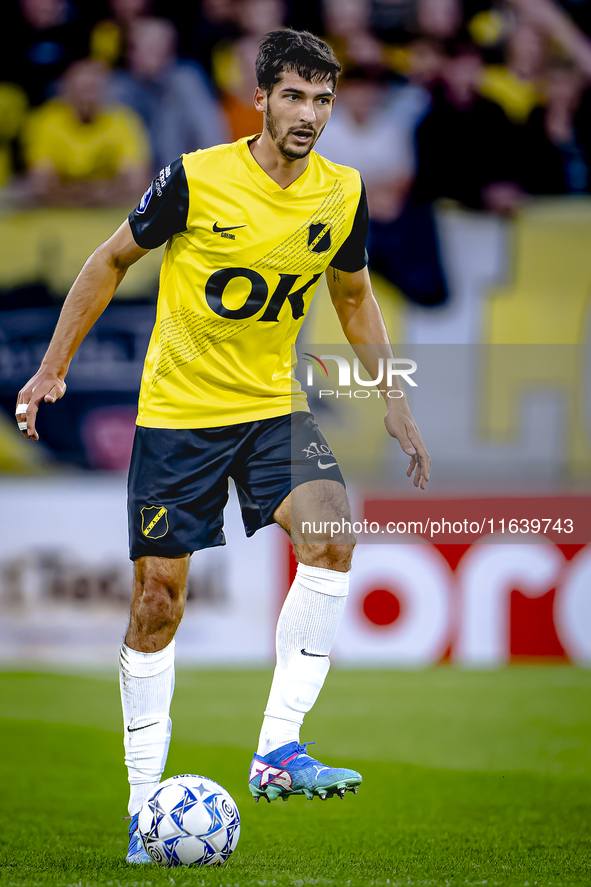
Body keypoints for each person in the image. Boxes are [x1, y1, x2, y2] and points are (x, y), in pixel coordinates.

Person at [15, 29, 430, 864]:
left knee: (332, 530)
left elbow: (351, 296)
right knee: (158, 604)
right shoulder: (197, 176)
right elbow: (108, 259)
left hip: (270, 410)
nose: (309, 114)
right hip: (178, 418)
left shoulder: (339, 192)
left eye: (323, 99)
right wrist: (50, 368)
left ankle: (278, 748)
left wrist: (391, 396)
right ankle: (143, 808)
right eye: (295, 97)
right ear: (262, 97)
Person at [22, 58, 151, 207]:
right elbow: (40, 185)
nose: (87, 99)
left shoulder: (125, 121)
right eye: (82, 89)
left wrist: (70, 189)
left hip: (109, 211)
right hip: (59, 211)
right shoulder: (45, 122)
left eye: (93, 89)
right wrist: (97, 191)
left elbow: (136, 183)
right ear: (66, 91)